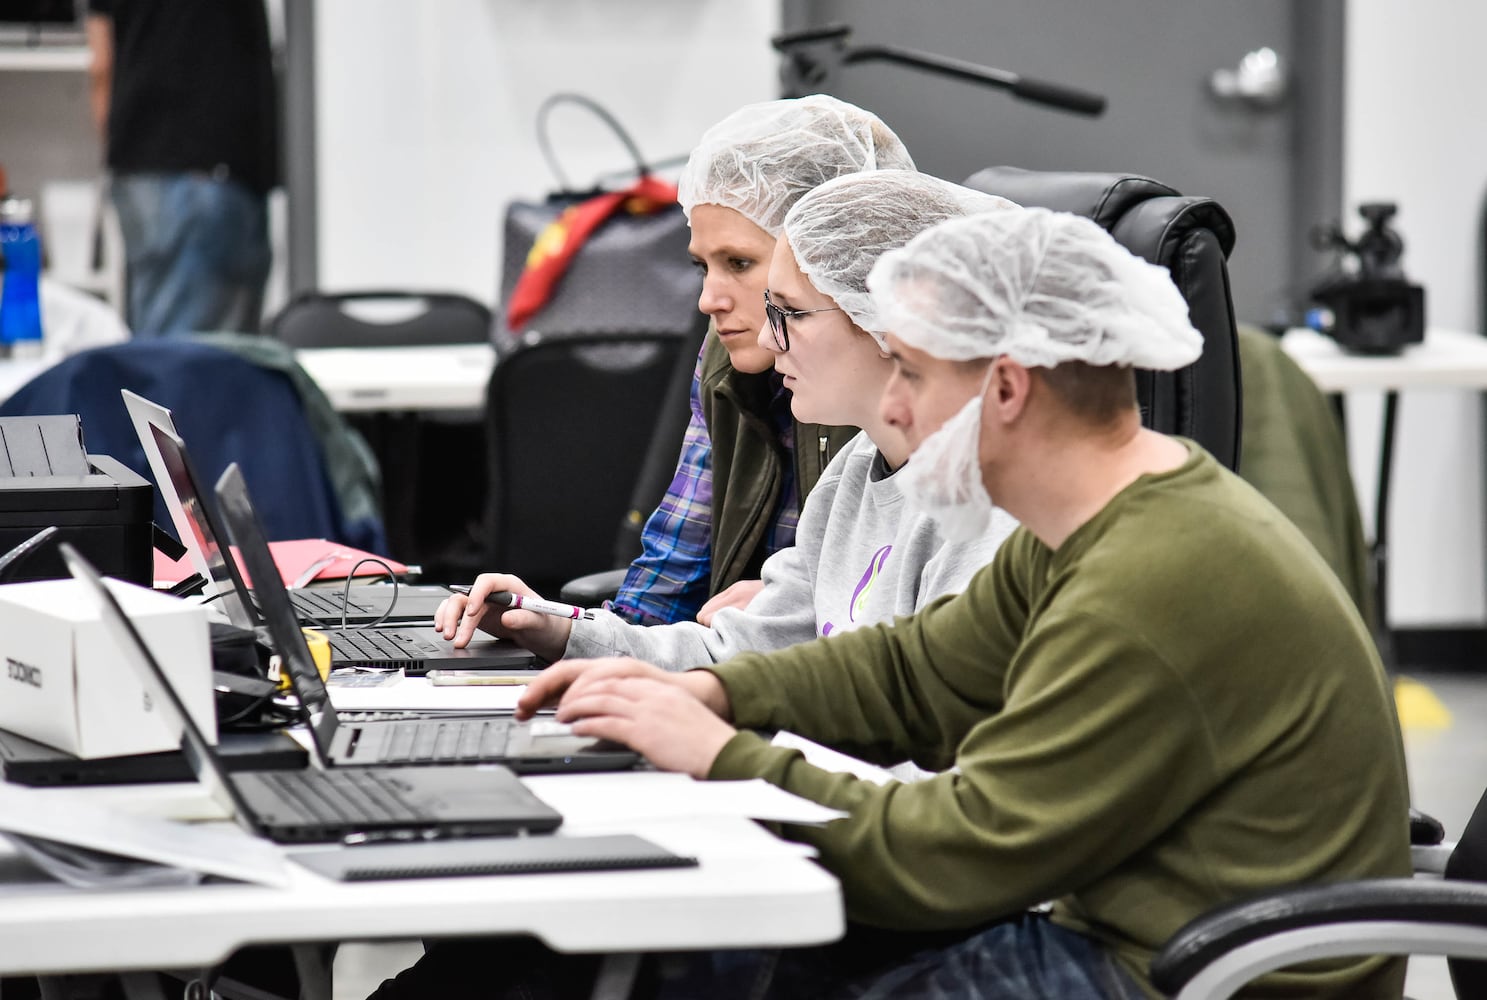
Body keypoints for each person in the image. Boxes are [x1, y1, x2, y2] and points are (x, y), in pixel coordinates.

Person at [376, 206, 1412, 999]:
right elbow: (912, 669)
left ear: (1005, 388)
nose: (893, 406)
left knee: (718, 967)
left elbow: (952, 853)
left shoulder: (1148, 577)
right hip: (1132, 936)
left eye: (910, 373)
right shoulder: (1105, 514)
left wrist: (718, 752)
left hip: (1170, 974)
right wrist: (712, 692)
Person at [439, 171, 1019, 678]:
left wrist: (725, 753)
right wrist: (559, 632)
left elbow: (929, 748)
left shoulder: (986, 516)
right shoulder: (856, 470)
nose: (769, 338)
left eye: (787, 314)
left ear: (891, 324)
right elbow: (737, 653)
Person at [604, 95, 914, 627]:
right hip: (740, 669)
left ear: (838, 258)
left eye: (740, 263)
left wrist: (796, 602)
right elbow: (673, 571)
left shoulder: (882, 383)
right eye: (703, 266)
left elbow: (901, 608)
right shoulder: (725, 351)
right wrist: (576, 639)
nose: (709, 299)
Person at [86, 0, 277, 338]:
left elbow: (101, 60)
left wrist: (124, 154)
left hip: (146, 168)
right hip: (207, 167)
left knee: (168, 358)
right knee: (197, 366)